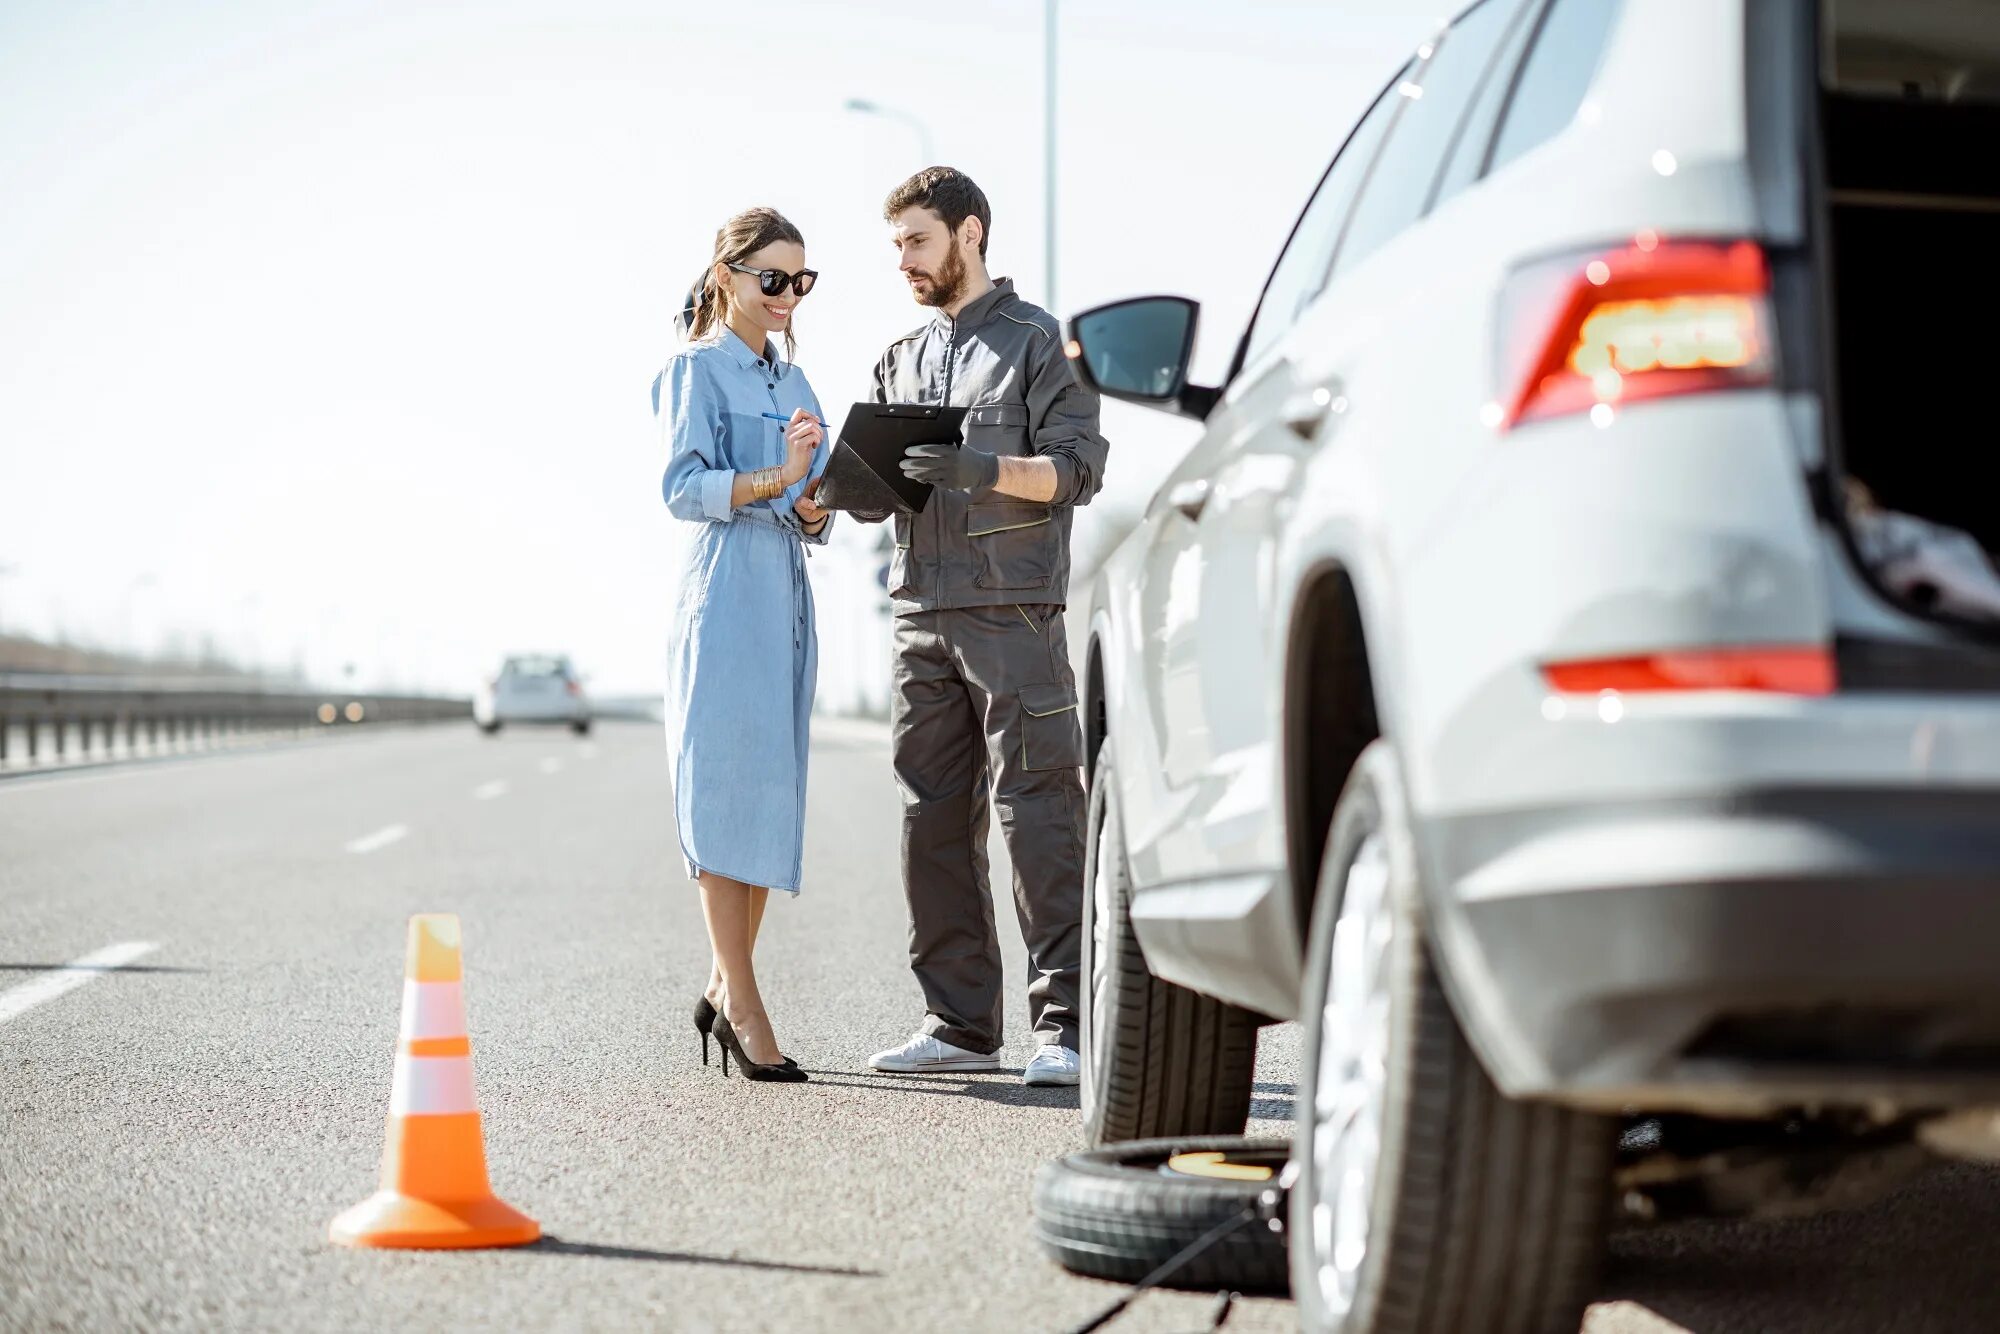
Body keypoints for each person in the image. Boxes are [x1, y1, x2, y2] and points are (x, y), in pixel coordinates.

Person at [855, 168, 1108, 1086]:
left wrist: (986, 469)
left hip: (1014, 614)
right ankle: (959, 1026)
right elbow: (886, 488)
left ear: (969, 234)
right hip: (919, 611)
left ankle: (1074, 1027)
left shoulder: (1042, 343)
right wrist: (852, 489)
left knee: (1039, 810)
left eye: (917, 242)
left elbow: (1077, 469)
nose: (905, 263)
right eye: (896, 248)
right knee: (929, 821)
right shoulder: (898, 357)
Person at [660, 206, 831, 1084]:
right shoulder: (695, 369)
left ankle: (722, 986)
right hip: (726, 592)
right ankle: (746, 1002)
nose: (787, 297)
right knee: (725, 791)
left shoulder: (797, 385)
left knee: (765, 796)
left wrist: (812, 502)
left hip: (785, 594)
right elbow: (684, 487)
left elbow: (816, 508)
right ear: (727, 275)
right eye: (773, 279)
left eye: (801, 282)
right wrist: (780, 478)